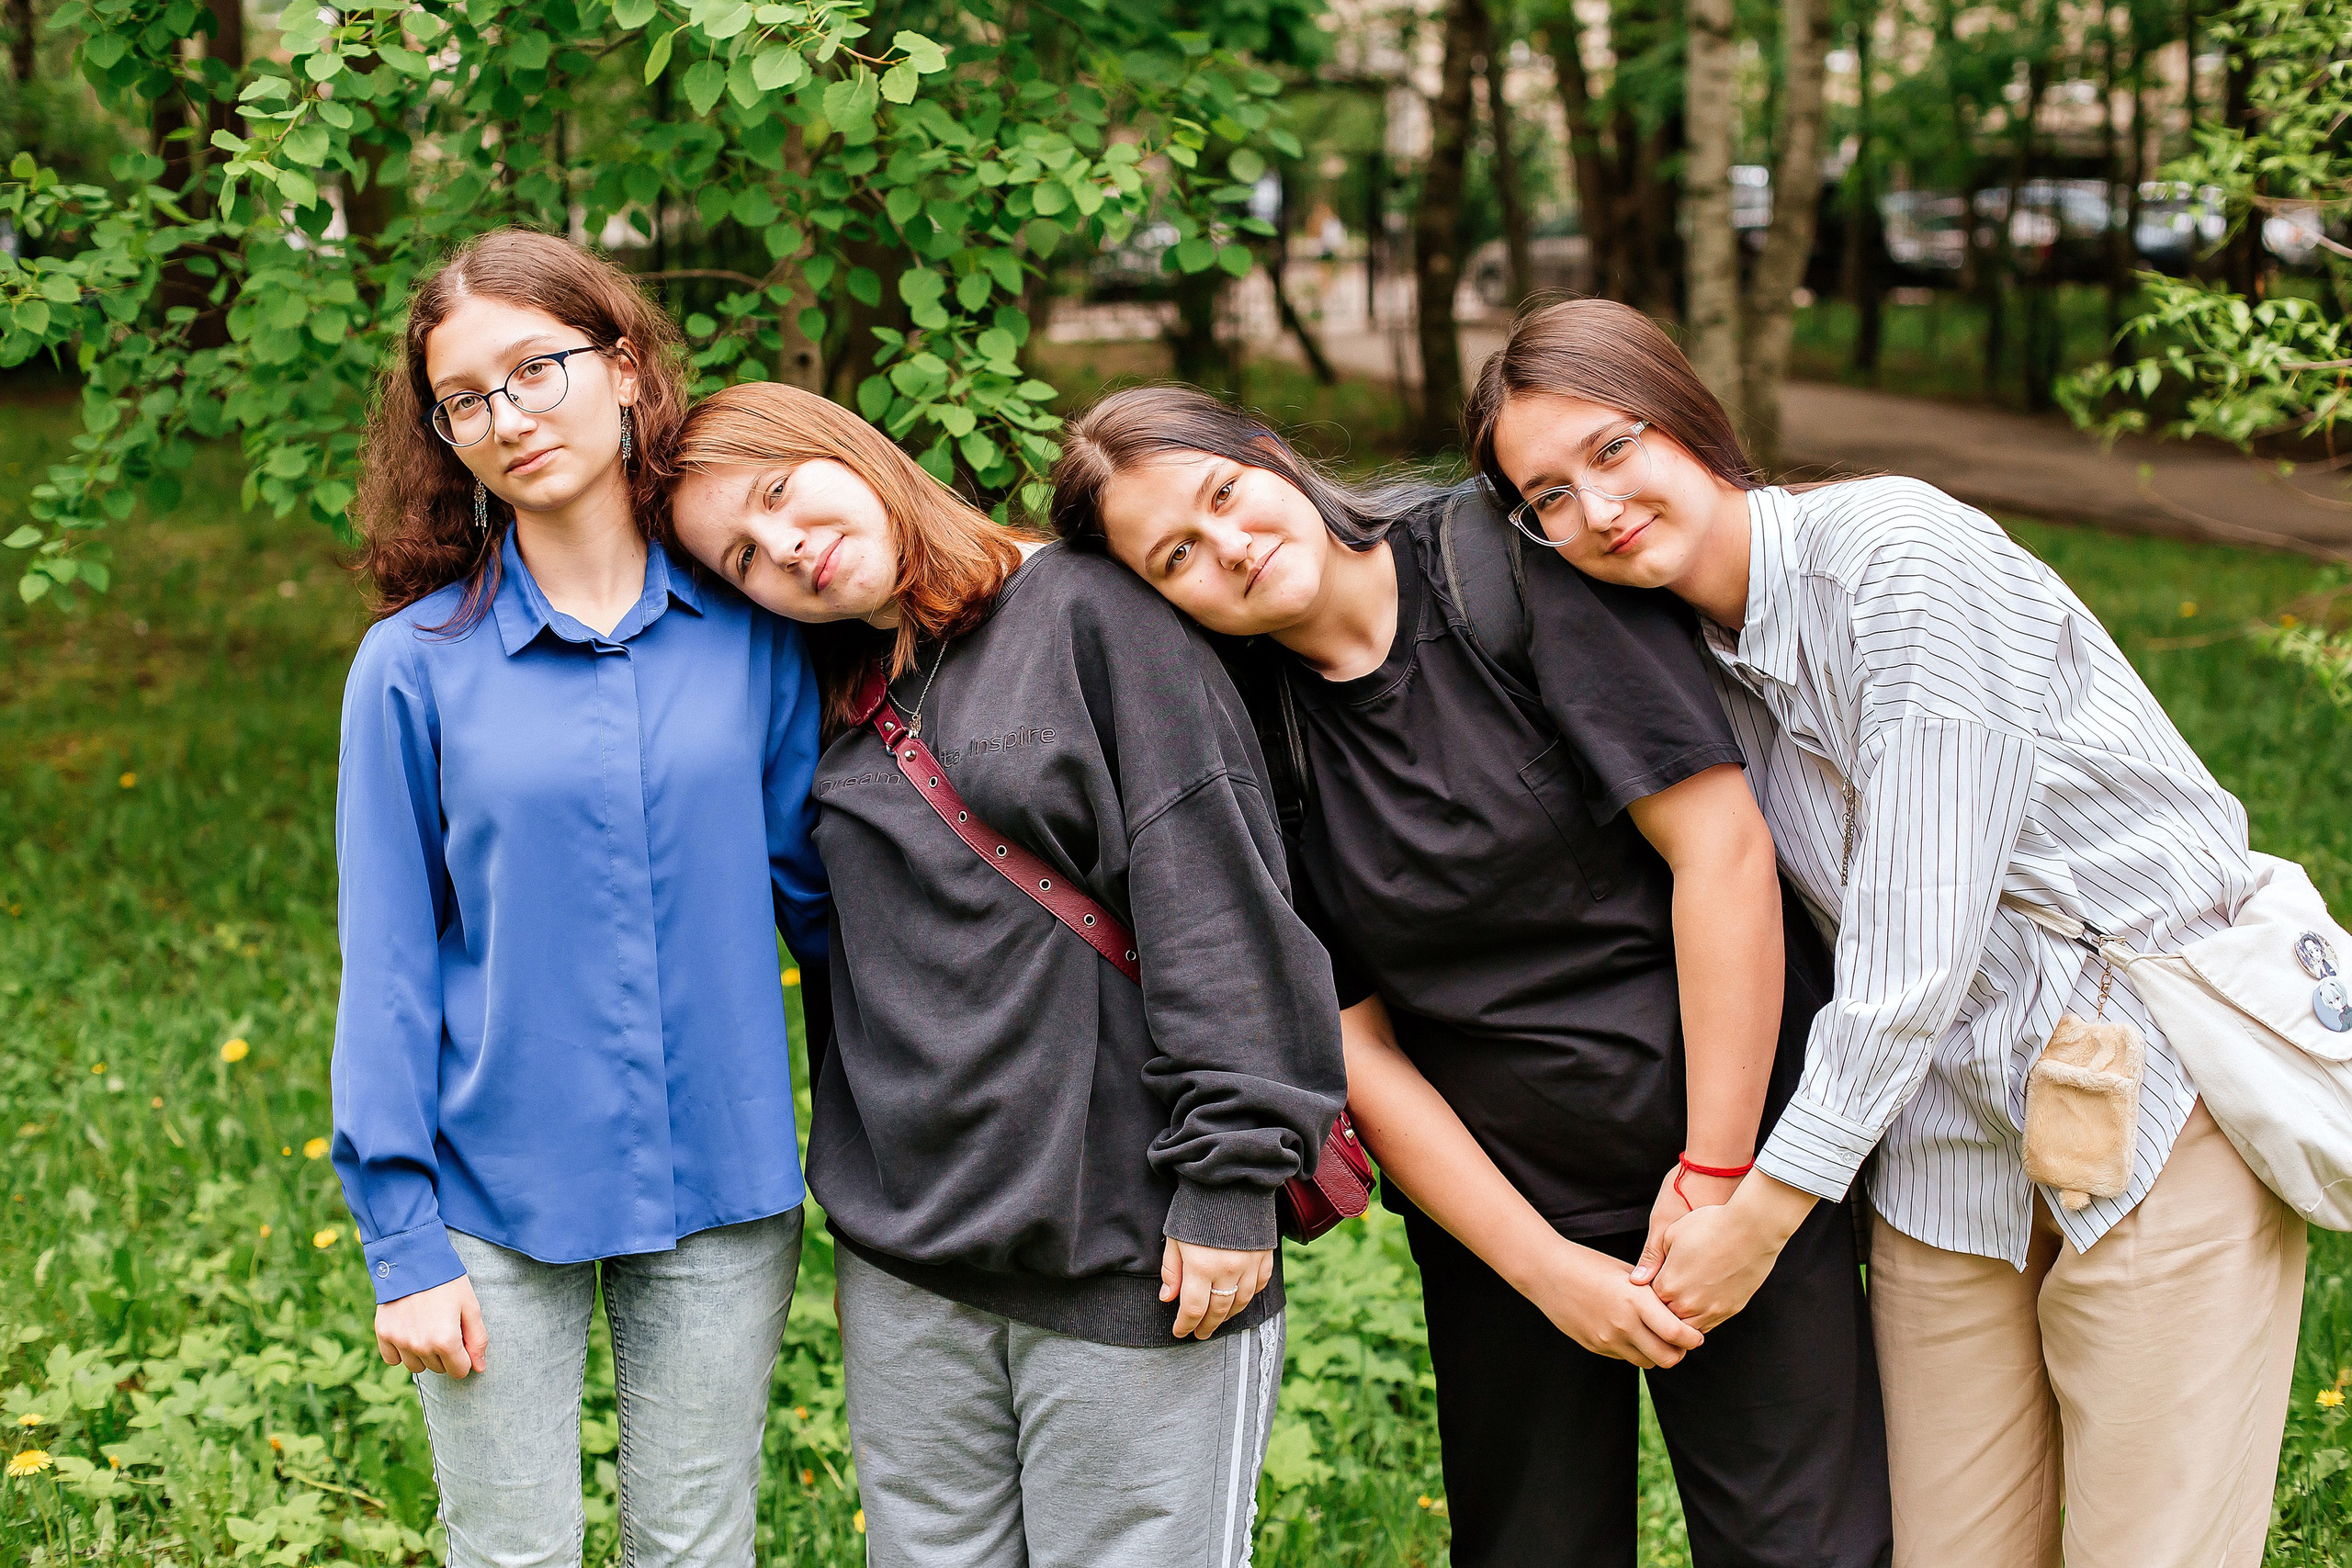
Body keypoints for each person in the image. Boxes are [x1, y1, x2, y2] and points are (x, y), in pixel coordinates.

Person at [1464, 297, 2307, 1568]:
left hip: (2145, 1092)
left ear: (1689, 418)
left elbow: (1915, 956)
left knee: (2156, 1546)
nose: (1595, 508)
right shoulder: (1688, 663)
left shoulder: (1899, 557)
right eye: (1547, 498)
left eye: (1613, 446)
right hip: (1943, 1144)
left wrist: (1754, 1211)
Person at [1050, 384, 1894, 1567]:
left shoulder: (1501, 569)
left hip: (1730, 1155)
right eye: (1175, 555)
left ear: (1269, 455)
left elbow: (1725, 851)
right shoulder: (1239, 733)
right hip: (1501, 1210)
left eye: (1223, 495)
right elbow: (1358, 1045)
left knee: (1799, 1548)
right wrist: (1546, 1273)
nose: (1229, 549)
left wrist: (1717, 1176)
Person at [664, 382, 1347, 1568]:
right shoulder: (824, 702)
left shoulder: (1089, 613)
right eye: (744, 557)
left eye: (780, 493)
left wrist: (1234, 1182)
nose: (786, 547)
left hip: (1130, 1251)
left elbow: (1215, 895)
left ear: (851, 451)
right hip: (911, 1265)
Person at [332, 228, 829, 1568]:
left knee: (698, 1546)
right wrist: (402, 1240)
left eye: (534, 370)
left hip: (725, 1185)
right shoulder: (409, 670)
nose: (508, 417)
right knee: (511, 1556)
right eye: (467, 400)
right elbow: (384, 961)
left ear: (621, 366)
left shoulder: (757, 632)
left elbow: (828, 908)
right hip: (489, 1194)